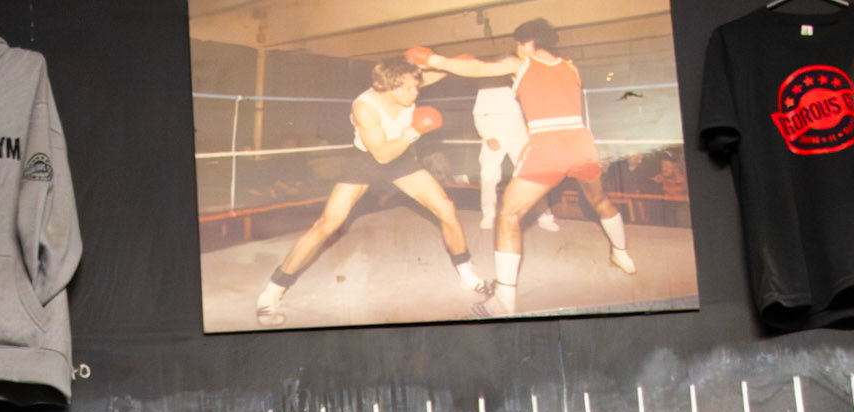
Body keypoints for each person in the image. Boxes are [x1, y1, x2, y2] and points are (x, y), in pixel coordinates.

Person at [409, 21, 635, 316]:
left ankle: (504, 300)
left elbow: (478, 69)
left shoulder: (522, 63)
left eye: (518, 44)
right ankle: (622, 255)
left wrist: (433, 59)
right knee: (600, 200)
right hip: (581, 144)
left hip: (548, 145)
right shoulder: (571, 67)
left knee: (509, 214)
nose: (516, 49)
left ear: (526, 43)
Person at [255, 56, 488, 327]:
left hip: (402, 158)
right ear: (388, 86)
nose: (415, 93)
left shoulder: (407, 84)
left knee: (445, 207)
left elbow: (448, 70)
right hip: (369, 160)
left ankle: (466, 274)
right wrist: (415, 130)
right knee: (327, 224)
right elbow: (381, 154)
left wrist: (446, 60)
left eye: (416, 86)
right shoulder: (365, 108)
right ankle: (272, 292)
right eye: (408, 88)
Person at [472, 81, 558, 235]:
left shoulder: (521, 83)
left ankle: (545, 216)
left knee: (532, 175)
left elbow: (532, 110)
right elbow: (477, 114)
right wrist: (487, 136)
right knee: (488, 176)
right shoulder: (486, 87)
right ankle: (489, 215)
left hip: (519, 137)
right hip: (494, 138)